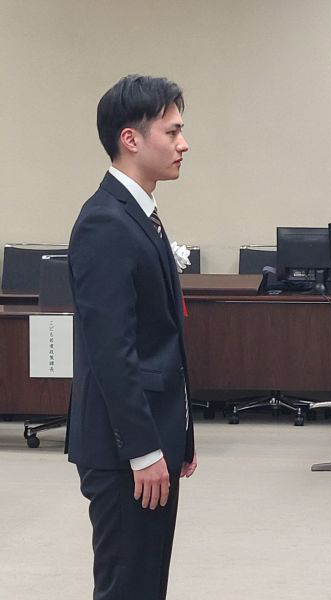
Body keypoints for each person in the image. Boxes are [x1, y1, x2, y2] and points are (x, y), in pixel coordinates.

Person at [67, 74, 196, 600]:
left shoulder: (141, 215)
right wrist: (143, 450)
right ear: (131, 139)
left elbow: (160, 337)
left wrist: (180, 434)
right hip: (125, 449)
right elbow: (111, 352)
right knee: (127, 586)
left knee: (147, 582)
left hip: (154, 436)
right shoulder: (105, 222)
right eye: (173, 131)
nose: (184, 144)